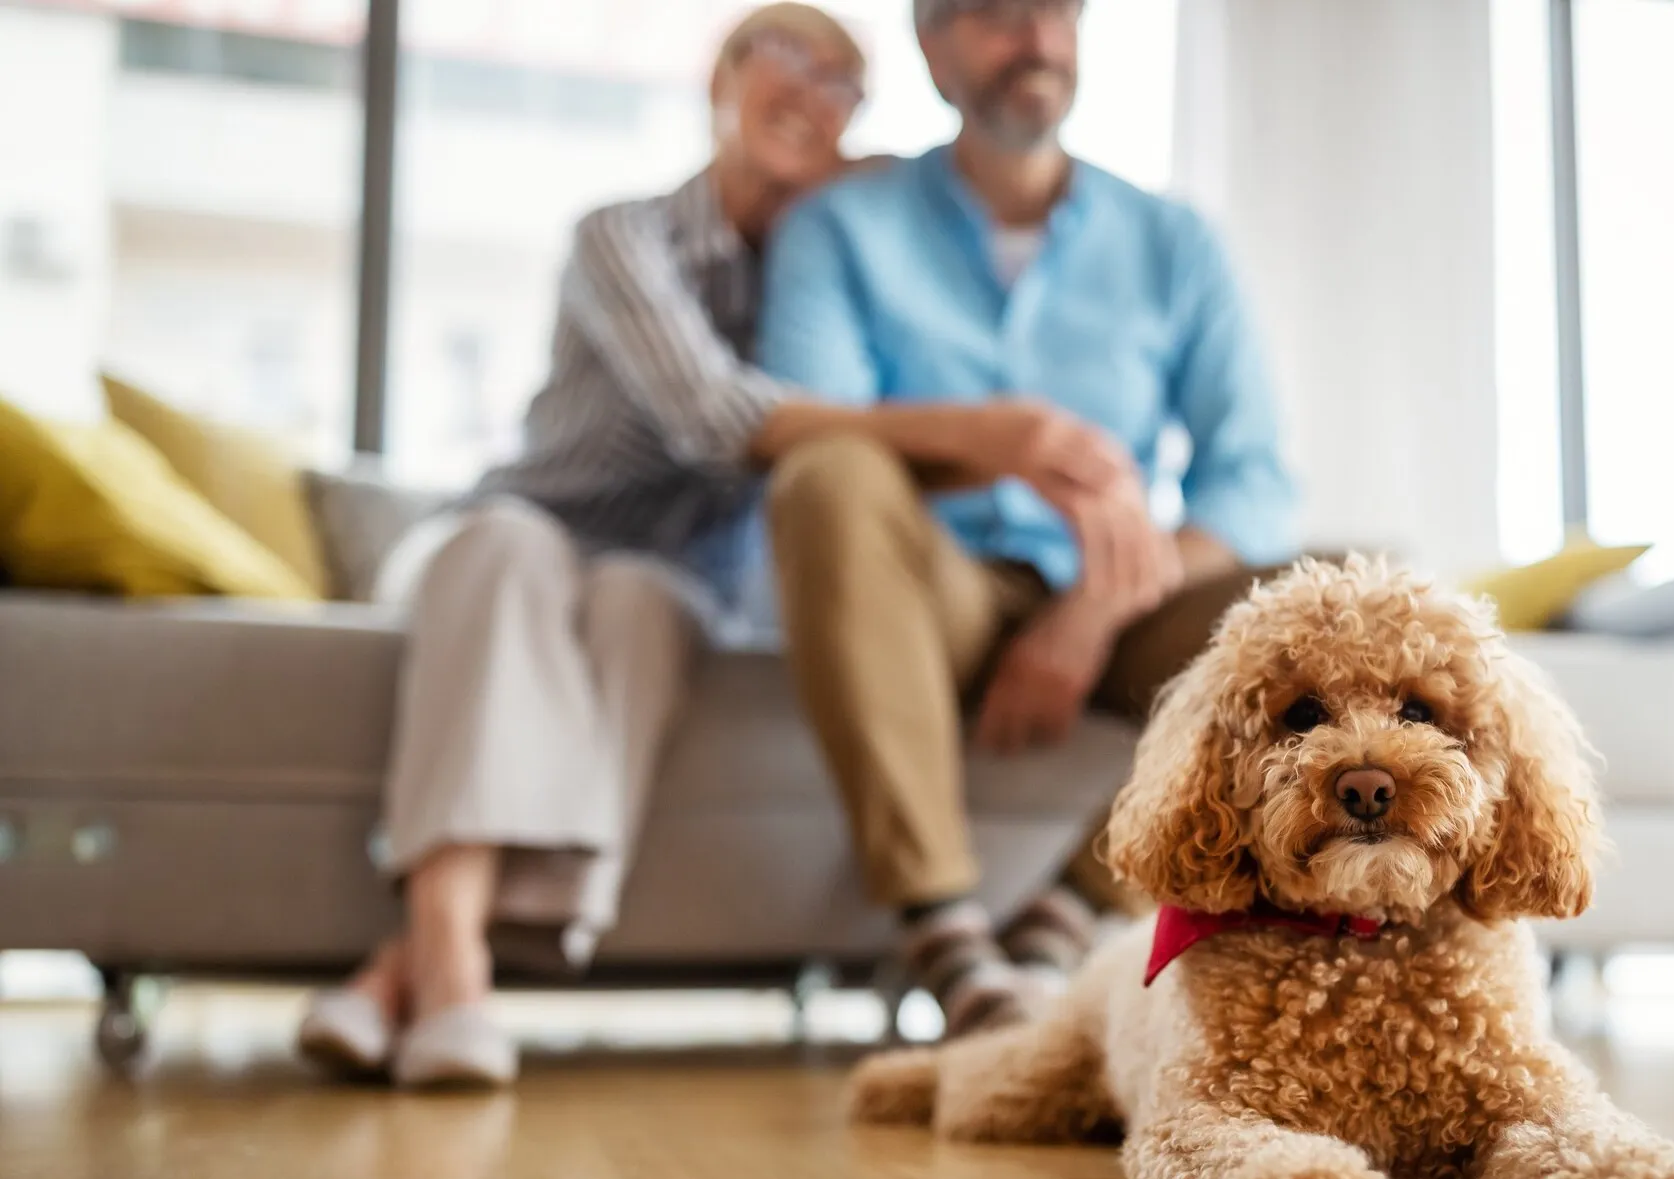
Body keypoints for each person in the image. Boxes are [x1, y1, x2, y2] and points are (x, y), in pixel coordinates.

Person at [297, 3, 1117, 1088]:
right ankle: (452, 969)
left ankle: (389, 977)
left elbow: (856, 428)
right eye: (788, 58)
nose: (813, 92)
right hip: (526, 529)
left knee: (644, 611)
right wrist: (994, 434)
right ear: (721, 80)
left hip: (670, 574)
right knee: (505, 556)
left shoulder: (828, 268)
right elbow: (719, 417)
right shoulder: (623, 236)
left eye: (843, 83)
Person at [756, 0, 1300, 1037]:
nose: (1039, 42)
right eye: (1000, 16)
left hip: (1123, 587)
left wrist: (1095, 606)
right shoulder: (839, 228)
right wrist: (989, 438)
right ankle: (945, 935)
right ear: (933, 44)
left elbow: (1255, 479)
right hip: (932, 586)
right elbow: (807, 425)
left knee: (1321, 612)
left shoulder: (1173, 241)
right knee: (825, 473)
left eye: (1059, 12)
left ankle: (1066, 923)